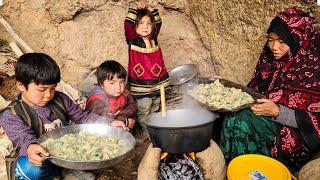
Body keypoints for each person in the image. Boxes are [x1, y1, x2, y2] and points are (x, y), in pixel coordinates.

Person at [220, 7, 320, 172]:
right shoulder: (269, 59)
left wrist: (278, 112)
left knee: (243, 120)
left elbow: (315, 120)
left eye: (282, 41)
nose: (274, 47)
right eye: (271, 39)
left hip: (294, 133)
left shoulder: (313, 67)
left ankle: (254, 171)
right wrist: (224, 86)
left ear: (297, 40)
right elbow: (254, 92)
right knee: (231, 117)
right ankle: (235, 170)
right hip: (265, 115)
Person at [0, 53, 126, 180]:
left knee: (90, 148)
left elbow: (83, 118)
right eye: (42, 89)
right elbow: (25, 138)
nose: (49, 95)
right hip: (37, 159)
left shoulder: (61, 99)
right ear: (21, 85)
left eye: (53, 88)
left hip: (65, 156)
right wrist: (31, 147)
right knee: (31, 170)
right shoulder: (11, 115)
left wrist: (109, 123)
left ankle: (65, 172)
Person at [124, 0, 170, 136]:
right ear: (136, 27)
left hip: (157, 83)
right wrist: (134, 8)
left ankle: (154, 129)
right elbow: (127, 25)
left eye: (148, 24)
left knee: (156, 106)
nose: (145, 27)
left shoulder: (153, 38)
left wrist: (151, 7)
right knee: (144, 109)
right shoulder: (132, 39)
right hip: (141, 85)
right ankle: (145, 133)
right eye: (141, 23)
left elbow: (159, 22)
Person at [85, 60, 137, 132]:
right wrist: (124, 120)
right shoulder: (96, 99)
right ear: (101, 85)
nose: (118, 87)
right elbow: (96, 119)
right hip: (103, 131)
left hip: (122, 124)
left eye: (121, 82)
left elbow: (133, 105)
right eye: (112, 83)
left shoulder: (125, 93)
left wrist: (122, 117)